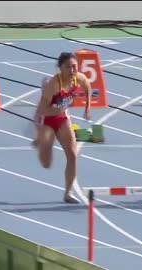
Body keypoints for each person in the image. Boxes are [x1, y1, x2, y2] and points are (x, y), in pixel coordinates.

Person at [33, 52, 92, 204]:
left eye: (74, 67)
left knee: (72, 155)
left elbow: (88, 87)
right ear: (60, 68)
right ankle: (41, 143)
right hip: (47, 120)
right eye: (68, 67)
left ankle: (68, 192)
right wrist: (56, 110)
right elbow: (41, 110)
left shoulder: (78, 78)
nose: (72, 70)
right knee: (46, 163)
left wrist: (87, 108)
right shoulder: (53, 84)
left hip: (63, 118)